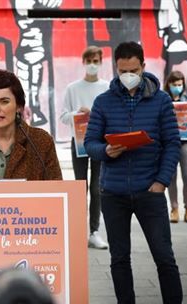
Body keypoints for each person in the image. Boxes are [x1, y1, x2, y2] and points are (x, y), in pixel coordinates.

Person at [84, 42, 187, 304]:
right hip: (113, 192)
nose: (127, 75)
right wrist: (106, 150)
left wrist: (161, 182)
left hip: (150, 190)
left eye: (133, 70)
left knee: (164, 258)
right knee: (119, 258)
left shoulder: (161, 102)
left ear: (143, 66)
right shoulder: (104, 102)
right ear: (115, 69)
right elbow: (89, 143)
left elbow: (172, 144)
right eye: (122, 71)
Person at [60, 46, 109, 250]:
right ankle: (78, 230)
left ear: (101, 62)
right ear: (83, 62)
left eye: (95, 60)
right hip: (79, 143)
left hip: (99, 142)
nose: (92, 64)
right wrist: (76, 114)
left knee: (98, 188)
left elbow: (111, 116)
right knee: (81, 187)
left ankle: (94, 231)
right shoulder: (73, 88)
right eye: (88, 60)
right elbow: (63, 117)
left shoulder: (107, 87)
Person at [164, 71, 187, 223]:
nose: (177, 87)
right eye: (174, 84)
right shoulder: (165, 99)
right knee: (171, 178)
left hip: (186, 143)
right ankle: (174, 208)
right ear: (169, 84)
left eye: (179, 84)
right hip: (169, 144)